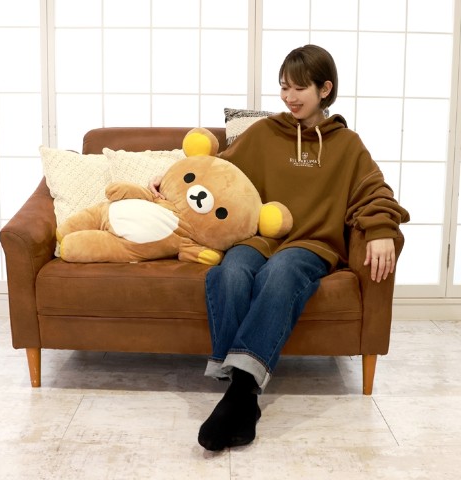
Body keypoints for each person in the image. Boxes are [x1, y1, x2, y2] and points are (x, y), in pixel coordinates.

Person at [150, 44, 409, 451]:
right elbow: (219, 173)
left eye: (298, 88)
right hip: (260, 238)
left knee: (280, 273)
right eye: (284, 87)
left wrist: (379, 229)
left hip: (311, 244)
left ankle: (239, 392)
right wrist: (169, 179)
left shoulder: (347, 145)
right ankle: (243, 397)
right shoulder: (265, 132)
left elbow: (375, 191)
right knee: (230, 271)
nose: (289, 97)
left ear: (325, 89)